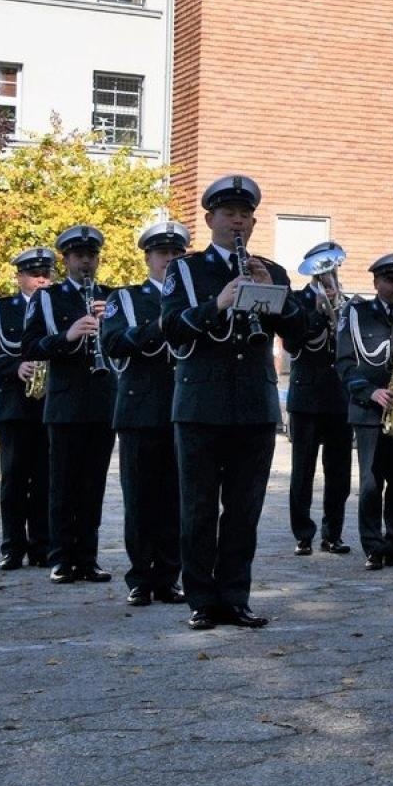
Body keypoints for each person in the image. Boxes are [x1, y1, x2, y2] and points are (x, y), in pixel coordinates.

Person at [160, 175, 307, 630]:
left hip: (254, 405)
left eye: (245, 215)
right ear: (210, 220)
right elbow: (171, 329)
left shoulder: (272, 270)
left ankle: (235, 597)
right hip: (200, 406)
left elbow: (301, 337)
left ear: (254, 223)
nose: (237, 221)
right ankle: (202, 600)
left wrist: (278, 300)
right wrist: (217, 304)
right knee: (199, 508)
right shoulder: (185, 270)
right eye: (228, 214)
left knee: (244, 510)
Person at [100, 220, 190, 608]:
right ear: (148, 258)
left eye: (176, 253)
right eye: (162, 253)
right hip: (140, 411)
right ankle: (139, 578)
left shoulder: (191, 298)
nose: (169, 259)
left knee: (176, 500)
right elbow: (112, 341)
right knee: (139, 500)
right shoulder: (126, 298)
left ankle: (169, 577)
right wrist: (159, 327)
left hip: (183, 408)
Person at [21, 225, 117, 585]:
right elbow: (30, 346)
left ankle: (88, 558)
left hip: (103, 401)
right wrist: (68, 335)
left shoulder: (112, 297)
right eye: (78, 256)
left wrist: (109, 326)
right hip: (64, 403)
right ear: (66, 260)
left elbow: (127, 343)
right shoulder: (48, 298)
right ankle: (61, 558)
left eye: (91, 256)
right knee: (63, 484)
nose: (86, 262)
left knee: (93, 484)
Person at [0, 246, 54, 570]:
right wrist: (12, 366)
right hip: (13, 405)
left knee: (46, 479)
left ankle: (43, 546)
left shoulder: (60, 306)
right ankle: (13, 547)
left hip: (51, 405)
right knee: (14, 478)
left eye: (46, 273)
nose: (41, 279)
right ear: (19, 277)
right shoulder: (0, 309)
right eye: (34, 274)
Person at [337, 253, 393, 571]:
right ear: (376, 283)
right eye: (391, 280)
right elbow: (344, 363)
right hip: (369, 410)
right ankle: (373, 547)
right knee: (371, 483)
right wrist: (370, 391)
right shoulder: (356, 313)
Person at [285, 241, 353, 556]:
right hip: (306, 399)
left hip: (339, 398)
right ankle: (303, 534)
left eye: (333, 267)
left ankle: (332, 534)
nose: (330, 274)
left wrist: (338, 309)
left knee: (339, 472)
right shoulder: (297, 302)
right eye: (324, 269)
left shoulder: (347, 304)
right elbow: (291, 344)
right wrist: (317, 312)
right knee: (303, 471)